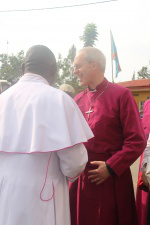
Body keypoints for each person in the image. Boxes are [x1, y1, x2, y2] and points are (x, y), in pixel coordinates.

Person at [0, 45, 94, 225]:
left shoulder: (2, 99)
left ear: (23, 68)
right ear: (53, 71)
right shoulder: (59, 99)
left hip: (4, 191)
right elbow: (74, 163)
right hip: (43, 197)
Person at [69, 47, 146, 225]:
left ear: (94, 64)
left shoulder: (121, 95)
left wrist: (111, 167)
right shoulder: (77, 100)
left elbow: (136, 140)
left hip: (111, 178)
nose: (75, 71)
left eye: (78, 66)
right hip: (82, 180)